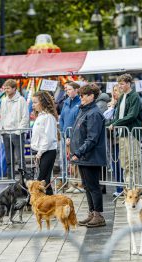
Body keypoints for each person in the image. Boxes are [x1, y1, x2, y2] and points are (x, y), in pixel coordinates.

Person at [70, 83, 106, 228]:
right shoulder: (84, 111)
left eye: (83, 95)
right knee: (87, 186)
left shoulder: (94, 113)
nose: (81, 98)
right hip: (84, 157)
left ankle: (98, 215)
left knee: (93, 186)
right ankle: (92, 213)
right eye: (80, 95)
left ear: (92, 96)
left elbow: (92, 138)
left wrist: (78, 152)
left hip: (91, 156)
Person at [109, 73, 142, 187]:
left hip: (132, 134)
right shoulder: (122, 96)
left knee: (134, 162)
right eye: (119, 84)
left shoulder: (134, 96)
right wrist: (110, 123)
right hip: (122, 134)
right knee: (125, 163)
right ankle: (128, 189)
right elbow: (118, 116)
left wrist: (115, 124)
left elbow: (132, 115)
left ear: (128, 84)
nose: (120, 86)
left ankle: (135, 188)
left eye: (122, 84)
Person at [0, 79, 29, 179]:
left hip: (17, 133)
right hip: (6, 133)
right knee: (9, 160)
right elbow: (2, 116)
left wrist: (18, 131)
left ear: (14, 89)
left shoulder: (21, 100)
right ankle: (10, 180)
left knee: (20, 159)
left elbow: (25, 117)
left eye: (8, 88)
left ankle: (23, 180)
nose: (6, 90)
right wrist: (2, 129)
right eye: (5, 88)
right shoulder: (3, 100)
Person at [31, 91, 58, 195]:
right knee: (45, 180)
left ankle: (47, 202)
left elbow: (48, 138)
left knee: (42, 179)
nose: (33, 105)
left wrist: (40, 152)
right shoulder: (41, 116)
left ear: (42, 102)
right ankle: (50, 203)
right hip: (42, 151)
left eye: (35, 102)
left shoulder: (48, 117)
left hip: (48, 151)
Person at [59, 81, 83, 193]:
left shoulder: (80, 102)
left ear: (76, 90)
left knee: (77, 160)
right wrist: (64, 133)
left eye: (69, 89)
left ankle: (80, 184)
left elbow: (78, 120)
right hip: (66, 136)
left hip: (76, 136)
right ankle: (72, 184)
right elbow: (62, 118)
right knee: (70, 161)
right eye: (66, 89)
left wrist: (71, 135)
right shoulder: (66, 102)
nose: (67, 91)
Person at [104, 84, 124, 197]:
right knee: (114, 164)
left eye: (117, 90)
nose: (115, 93)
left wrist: (113, 123)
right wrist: (111, 107)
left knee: (121, 164)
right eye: (114, 91)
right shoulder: (112, 105)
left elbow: (117, 120)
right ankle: (118, 187)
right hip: (111, 139)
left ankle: (122, 187)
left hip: (120, 138)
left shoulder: (122, 105)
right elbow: (105, 119)